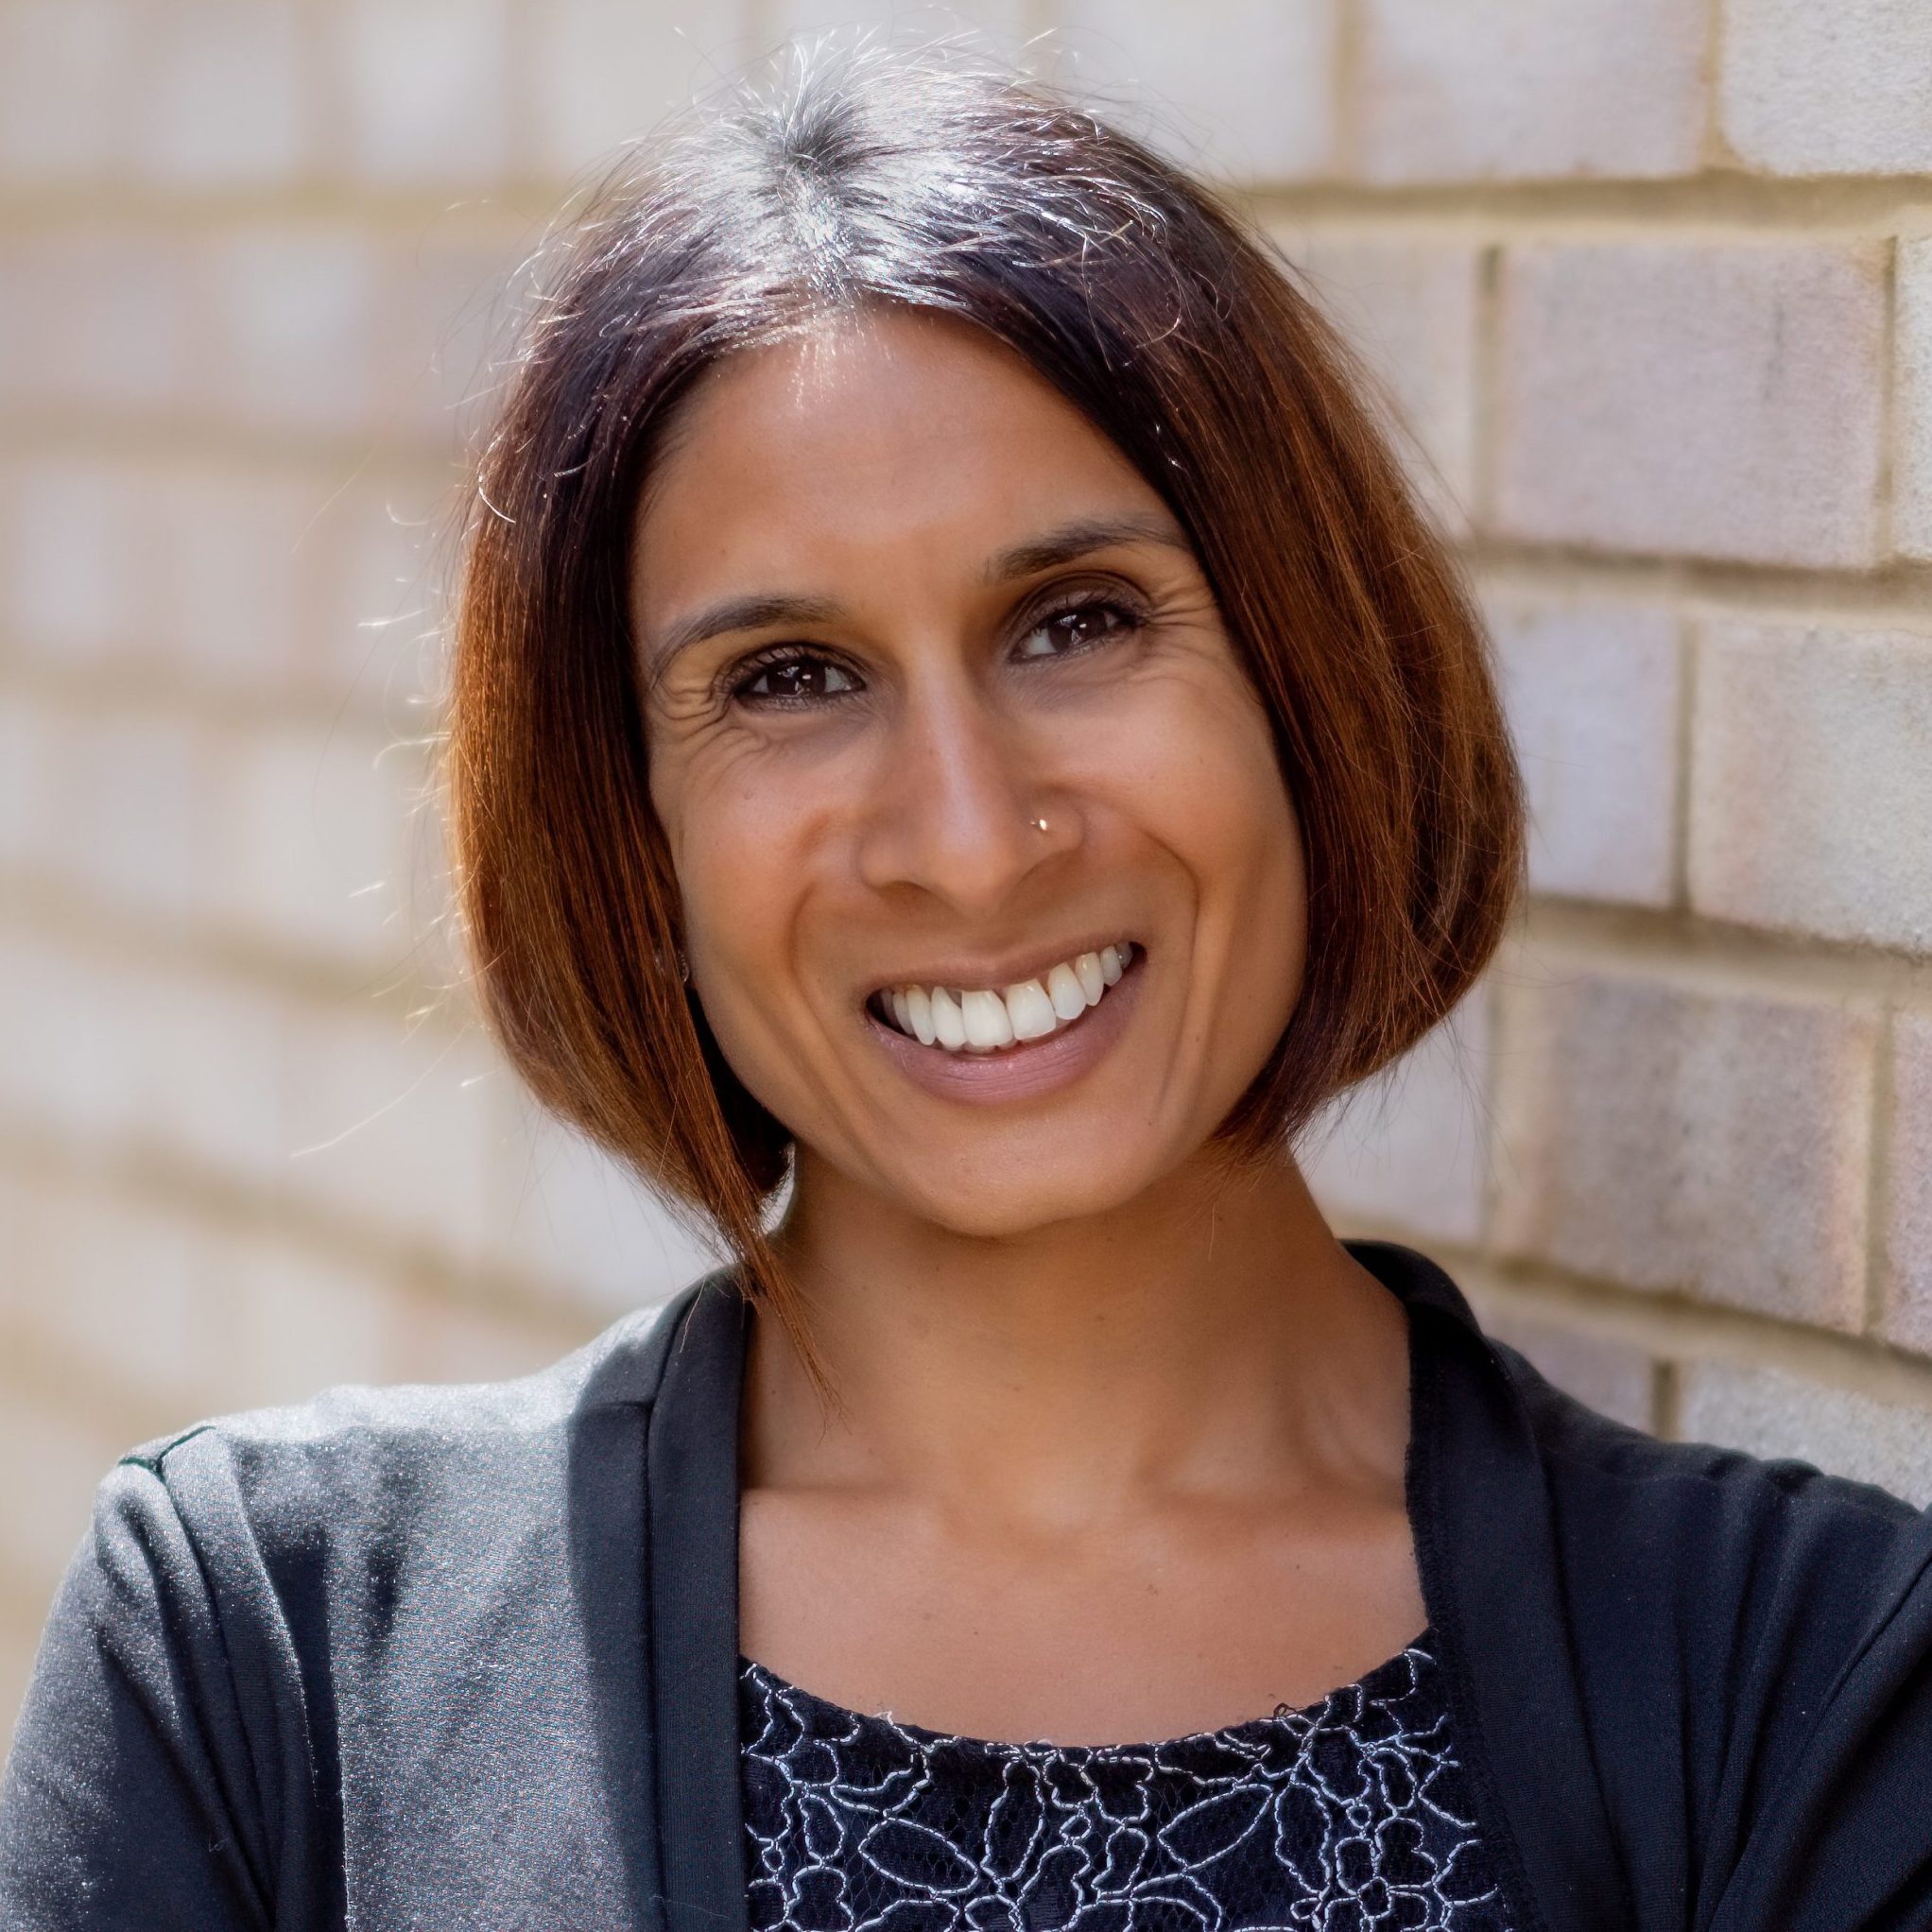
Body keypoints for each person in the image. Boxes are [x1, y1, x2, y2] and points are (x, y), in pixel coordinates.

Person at [4, 42, 1930, 1932]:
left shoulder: (1804, 1681)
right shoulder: (270, 1665)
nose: (969, 838)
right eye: (787, 678)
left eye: (1075, 622)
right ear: (629, 829)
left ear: (1313, 684)